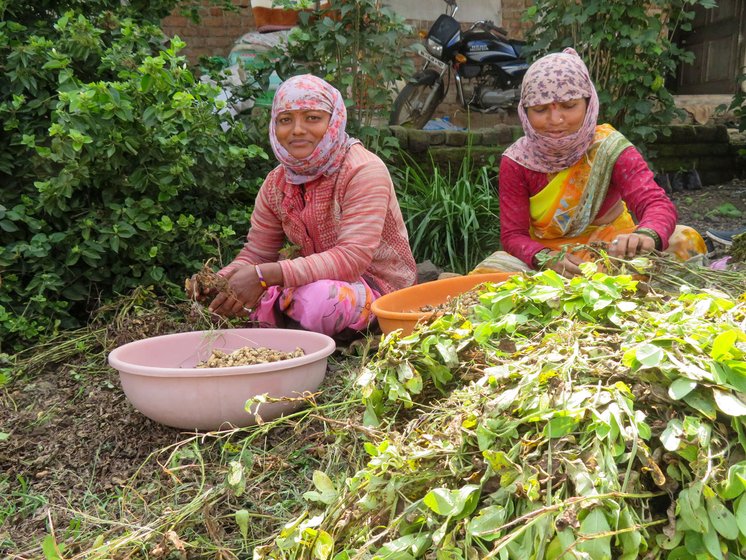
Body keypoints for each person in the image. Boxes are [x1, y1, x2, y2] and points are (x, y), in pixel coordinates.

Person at [190, 74, 417, 337]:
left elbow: (351, 259)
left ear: (334, 122)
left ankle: (286, 322)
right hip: (310, 280)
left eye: (313, 118)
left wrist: (263, 277)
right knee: (238, 297)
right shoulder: (277, 183)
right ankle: (286, 322)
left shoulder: (362, 170)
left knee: (320, 301)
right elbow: (258, 253)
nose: (297, 130)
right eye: (286, 120)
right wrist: (219, 281)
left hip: (377, 287)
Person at [472, 48, 706, 278]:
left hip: (612, 253)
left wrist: (646, 236)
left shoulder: (609, 148)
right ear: (524, 112)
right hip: (548, 261)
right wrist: (545, 258)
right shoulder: (516, 162)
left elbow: (655, 203)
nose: (555, 120)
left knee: (685, 240)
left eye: (569, 106)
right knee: (486, 275)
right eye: (540, 109)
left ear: (588, 103)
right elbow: (514, 235)